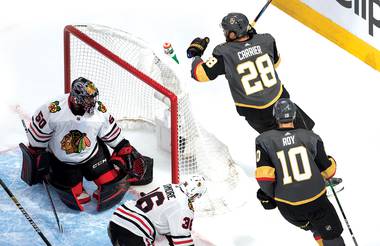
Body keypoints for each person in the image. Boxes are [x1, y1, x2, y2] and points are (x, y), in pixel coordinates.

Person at [21, 77, 153, 211]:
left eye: (92, 98)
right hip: (64, 162)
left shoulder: (99, 112)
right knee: (78, 196)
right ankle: (56, 174)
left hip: (93, 156)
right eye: (87, 99)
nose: (92, 103)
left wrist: (123, 147)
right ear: (75, 98)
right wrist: (38, 156)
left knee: (110, 184)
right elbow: (36, 140)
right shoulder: (53, 110)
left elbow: (112, 135)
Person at [187, 12, 314, 134]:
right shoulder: (267, 40)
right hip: (280, 101)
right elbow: (276, 63)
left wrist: (197, 55)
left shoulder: (224, 52)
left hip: (256, 113)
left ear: (232, 34)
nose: (224, 33)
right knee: (307, 137)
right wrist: (254, 40)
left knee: (278, 146)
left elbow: (200, 74)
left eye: (226, 31)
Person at [255, 98, 345, 245]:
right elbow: (328, 171)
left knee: (315, 228)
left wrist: (276, 195)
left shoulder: (263, 140)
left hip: (288, 208)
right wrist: (331, 161)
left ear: (275, 115)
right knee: (331, 234)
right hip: (316, 202)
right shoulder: (310, 137)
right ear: (295, 115)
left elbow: (264, 177)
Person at [108, 175, 207, 246]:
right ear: (196, 195)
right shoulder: (185, 207)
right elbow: (183, 241)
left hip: (116, 220)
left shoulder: (170, 186)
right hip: (135, 232)